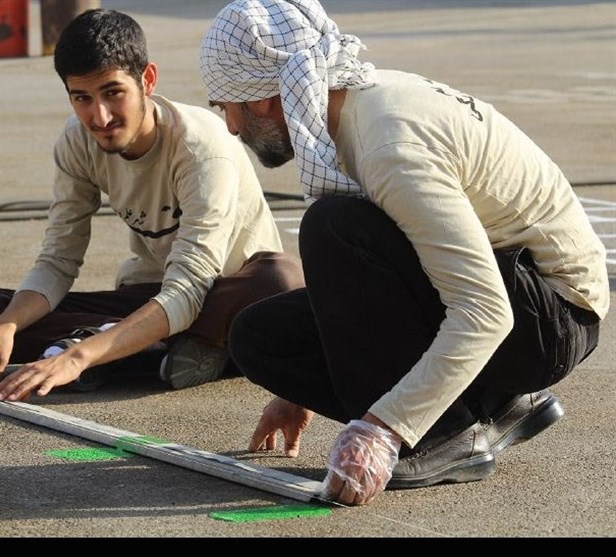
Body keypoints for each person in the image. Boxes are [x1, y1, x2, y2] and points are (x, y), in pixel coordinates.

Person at [199, 0, 609, 506]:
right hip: (515, 293)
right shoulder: (353, 107)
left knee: (333, 228)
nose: (231, 127)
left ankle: (445, 435)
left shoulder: (387, 145)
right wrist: (297, 387)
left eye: (226, 107)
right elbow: (382, 277)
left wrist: (384, 428)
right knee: (262, 338)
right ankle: (495, 403)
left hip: (551, 320)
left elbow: (485, 311)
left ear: (261, 100)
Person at [0, 8, 304, 400]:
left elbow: (191, 285)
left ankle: (108, 350)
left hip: (224, 295)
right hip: (151, 296)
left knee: (281, 283)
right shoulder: (77, 142)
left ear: (148, 80)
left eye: (113, 93)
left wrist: (78, 356)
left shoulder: (201, 147)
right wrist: (5, 325)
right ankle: (152, 351)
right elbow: (58, 260)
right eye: (82, 98)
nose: (100, 116)